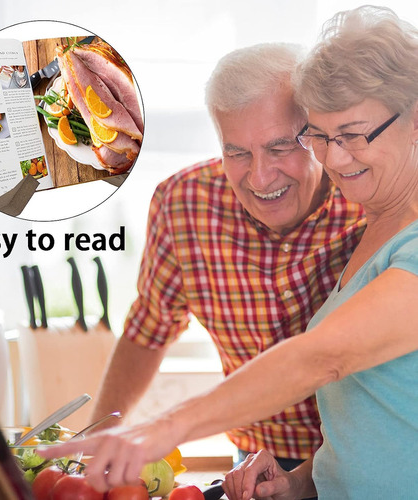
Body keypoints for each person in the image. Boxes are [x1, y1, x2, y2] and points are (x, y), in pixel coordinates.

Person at [41, 5, 418, 499]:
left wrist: (166, 428)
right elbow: (375, 426)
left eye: (350, 136)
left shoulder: (372, 211)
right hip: (289, 473)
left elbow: (323, 358)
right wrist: (303, 481)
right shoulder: (377, 216)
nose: (337, 158)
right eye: (324, 137)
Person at [88, 44, 364, 469]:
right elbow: (148, 330)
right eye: (237, 152)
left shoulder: (366, 200)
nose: (259, 176)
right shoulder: (182, 204)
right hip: (252, 460)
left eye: (279, 147)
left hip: (358, 458)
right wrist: (97, 440)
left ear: (317, 133)